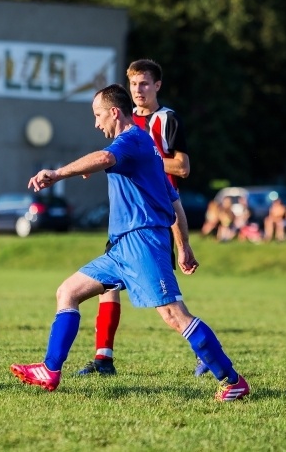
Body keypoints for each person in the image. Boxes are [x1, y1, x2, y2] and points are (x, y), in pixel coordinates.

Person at [10, 83, 250, 402]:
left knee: (174, 315)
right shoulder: (145, 147)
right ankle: (50, 370)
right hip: (121, 247)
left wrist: (58, 174)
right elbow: (173, 198)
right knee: (67, 292)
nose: (96, 124)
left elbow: (106, 156)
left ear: (114, 112)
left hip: (143, 242)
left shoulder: (132, 139)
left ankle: (231, 380)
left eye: (98, 116)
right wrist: (184, 246)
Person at [76, 59, 195, 377]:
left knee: (169, 308)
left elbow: (182, 167)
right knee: (106, 286)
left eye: (144, 83)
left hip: (155, 217)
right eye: (133, 84)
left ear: (157, 86)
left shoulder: (165, 120)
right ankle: (103, 358)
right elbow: (111, 157)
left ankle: (205, 353)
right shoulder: (123, 122)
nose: (139, 90)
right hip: (126, 220)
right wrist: (107, 163)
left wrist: (143, 160)